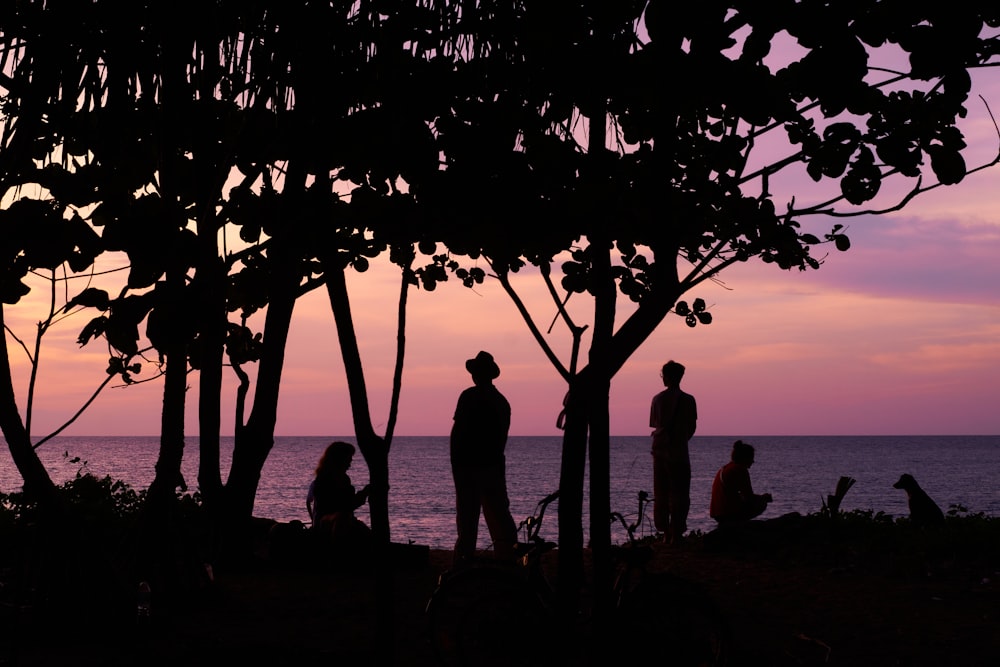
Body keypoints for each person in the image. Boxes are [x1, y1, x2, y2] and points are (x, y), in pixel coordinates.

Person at [450, 351, 518, 564]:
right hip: (493, 465)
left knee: (468, 516)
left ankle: (464, 558)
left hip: (470, 465)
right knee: (499, 514)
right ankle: (508, 558)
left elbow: (459, 432)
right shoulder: (501, 401)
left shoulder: (470, 396)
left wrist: (457, 464)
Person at [649, 360, 698, 544]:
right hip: (680, 453)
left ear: (667, 376)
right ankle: (676, 532)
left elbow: (655, 424)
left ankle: (665, 533)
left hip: (660, 452)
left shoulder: (657, 399)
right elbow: (692, 427)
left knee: (661, 493)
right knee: (681, 494)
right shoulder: (689, 400)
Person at [307, 441, 371, 550]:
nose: (350, 463)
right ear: (339, 459)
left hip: (341, 519)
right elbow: (341, 505)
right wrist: (363, 493)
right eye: (348, 459)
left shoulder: (344, 479)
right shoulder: (324, 480)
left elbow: (346, 504)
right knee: (343, 519)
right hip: (327, 522)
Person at [710, 440, 773, 524]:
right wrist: (763, 498)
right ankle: (740, 524)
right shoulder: (740, 470)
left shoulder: (724, 469)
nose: (753, 461)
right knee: (762, 503)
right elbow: (748, 497)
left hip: (716, 513)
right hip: (728, 513)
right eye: (751, 458)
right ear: (745, 458)